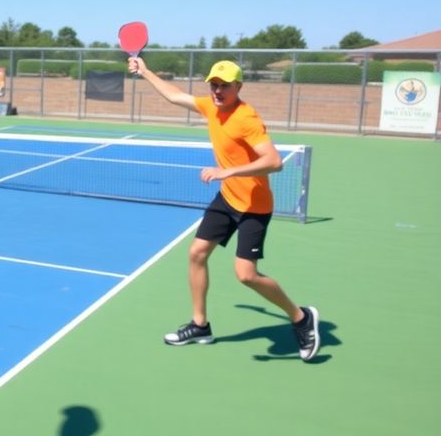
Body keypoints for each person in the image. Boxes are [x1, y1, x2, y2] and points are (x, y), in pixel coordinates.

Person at [128, 57, 321, 361]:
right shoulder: (210, 107)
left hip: (254, 207)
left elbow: (274, 161)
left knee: (246, 276)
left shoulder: (247, 119)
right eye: (214, 85)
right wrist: (145, 71)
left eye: (224, 86)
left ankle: (301, 318)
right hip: (227, 199)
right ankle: (200, 325)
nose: (217, 90)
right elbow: (175, 96)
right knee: (196, 253)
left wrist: (227, 172)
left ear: (238, 86)